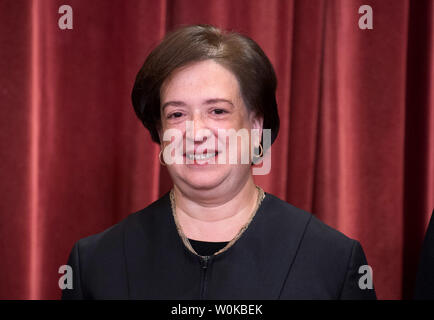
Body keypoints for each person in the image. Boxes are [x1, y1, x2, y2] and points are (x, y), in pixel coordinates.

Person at [62, 24, 376, 300]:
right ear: (160, 133)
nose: (196, 133)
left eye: (218, 111)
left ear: (255, 129)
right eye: (177, 115)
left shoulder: (332, 261)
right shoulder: (96, 263)